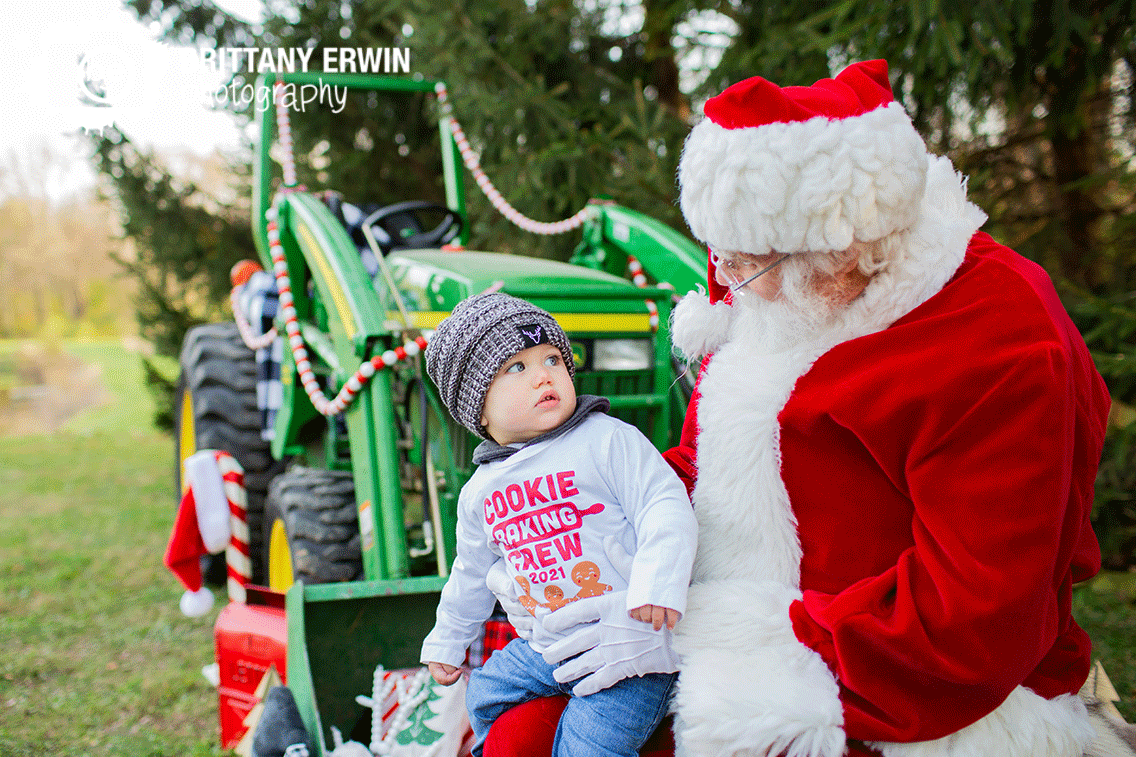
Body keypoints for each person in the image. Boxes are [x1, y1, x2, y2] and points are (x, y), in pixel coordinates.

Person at [483, 59, 1112, 757]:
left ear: (846, 251)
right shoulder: (777, 288)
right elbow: (707, 466)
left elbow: (973, 621)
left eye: (745, 263)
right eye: (718, 255)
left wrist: (707, 630)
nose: (727, 283)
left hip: (883, 685)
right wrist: (589, 522)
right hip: (716, 627)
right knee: (518, 728)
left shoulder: (998, 340)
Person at [419, 292, 698, 757]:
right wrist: (448, 639)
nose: (545, 374)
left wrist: (657, 585)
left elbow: (663, 504)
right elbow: (468, 575)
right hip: (548, 645)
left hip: (629, 648)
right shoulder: (481, 492)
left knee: (589, 745)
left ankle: (652, 702)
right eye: (517, 368)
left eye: (552, 358)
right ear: (478, 411)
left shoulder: (607, 440)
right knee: (484, 692)